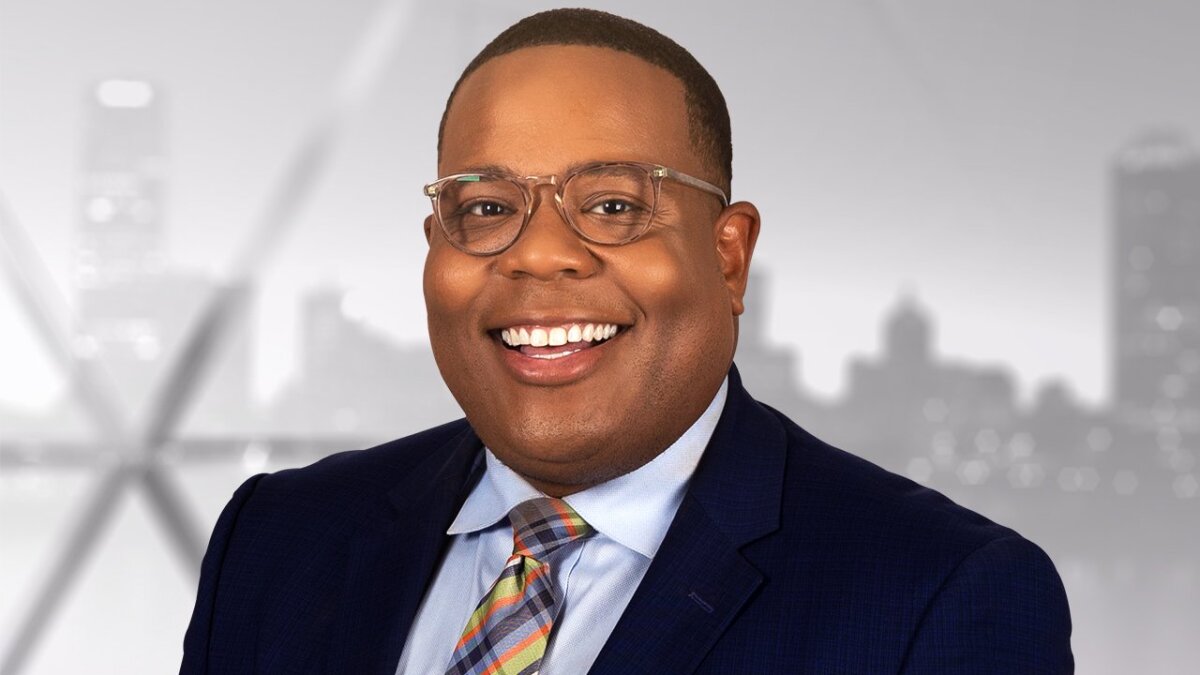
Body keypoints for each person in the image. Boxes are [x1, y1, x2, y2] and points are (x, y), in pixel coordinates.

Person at [181, 8, 1073, 674]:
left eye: (612, 205)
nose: (539, 254)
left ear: (729, 255)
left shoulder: (940, 595)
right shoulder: (277, 540)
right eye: (485, 207)